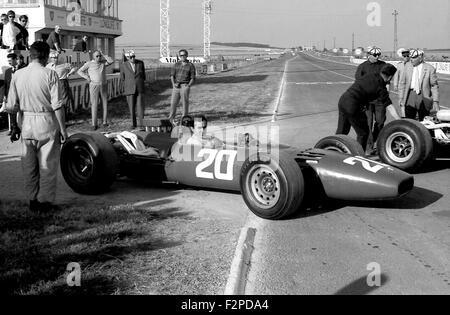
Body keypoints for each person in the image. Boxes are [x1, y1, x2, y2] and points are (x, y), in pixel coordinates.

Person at [0, 41, 67, 213]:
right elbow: (57, 106)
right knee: (47, 164)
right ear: (45, 56)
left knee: (29, 165)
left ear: (31, 55)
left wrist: (14, 127)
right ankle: (44, 202)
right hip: (46, 121)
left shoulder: (17, 75)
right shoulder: (50, 74)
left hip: (26, 122)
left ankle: (32, 200)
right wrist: (63, 130)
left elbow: (11, 106)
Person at [336, 64, 401, 151]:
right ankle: (358, 156)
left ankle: (333, 151)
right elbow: (389, 106)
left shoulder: (371, 75)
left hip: (343, 100)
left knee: (342, 131)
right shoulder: (380, 88)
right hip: (353, 106)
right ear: (390, 77)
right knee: (363, 133)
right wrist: (398, 119)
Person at [355, 47, 387, 154]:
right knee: (368, 124)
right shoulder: (362, 67)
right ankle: (369, 146)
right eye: (375, 55)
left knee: (380, 122)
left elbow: (388, 81)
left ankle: (375, 142)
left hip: (379, 100)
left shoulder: (383, 65)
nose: (377, 57)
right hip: (366, 100)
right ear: (369, 55)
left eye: (379, 55)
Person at [398, 49, 439, 121]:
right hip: (410, 95)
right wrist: (401, 98)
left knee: (424, 121)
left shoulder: (430, 69)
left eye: (414, 58)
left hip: (423, 97)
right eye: (411, 57)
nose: (411, 60)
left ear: (420, 58)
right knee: (409, 120)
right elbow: (402, 83)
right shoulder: (407, 66)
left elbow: (434, 86)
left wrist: (435, 101)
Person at [77, 50, 113, 130]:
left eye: (99, 56)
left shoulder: (103, 63)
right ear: (93, 57)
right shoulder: (89, 64)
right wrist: (87, 77)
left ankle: (104, 122)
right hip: (94, 85)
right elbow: (79, 71)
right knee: (94, 104)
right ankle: (94, 124)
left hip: (103, 85)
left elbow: (111, 61)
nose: (99, 57)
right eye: (97, 56)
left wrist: (103, 54)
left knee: (105, 104)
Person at [120, 50, 146, 129]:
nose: (133, 59)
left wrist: (141, 83)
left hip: (139, 88)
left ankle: (142, 124)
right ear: (127, 58)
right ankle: (133, 124)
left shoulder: (140, 63)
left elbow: (144, 75)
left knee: (140, 107)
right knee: (131, 108)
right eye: (131, 57)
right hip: (129, 89)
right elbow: (122, 78)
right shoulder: (123, 65)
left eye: (134, 56)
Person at [168, 49, 196, 124]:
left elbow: (193, 77)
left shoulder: (190, 65)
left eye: (184, 55)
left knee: (185, 103)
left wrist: (188, 85)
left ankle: (184, 120)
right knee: (173, 103)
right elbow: (172, 75)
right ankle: (170, 120)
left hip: (185, 86)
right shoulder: (176, 64)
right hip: (176, 86)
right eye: (181, 55)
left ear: (187, 55)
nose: (182, 56)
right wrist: (173, 84)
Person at [2, 53, 26, 135]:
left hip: (21, 95)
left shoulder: (22, 69)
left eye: (10, 60)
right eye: (8, 61)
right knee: (11, 111)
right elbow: (5, 85)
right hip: (11, 95)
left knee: (23, 112)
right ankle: (14, 128)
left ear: (15, 60)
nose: (9, 62)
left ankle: (24, 128)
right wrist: (5, 96)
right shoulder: (8, 71)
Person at [46, 51, 77, 115]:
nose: (55, 59)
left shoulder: (63, 64)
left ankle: (66, 114)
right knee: (54, 98)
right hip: (52, 83)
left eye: (56, 57)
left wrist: (69, 73)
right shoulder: (48, 66)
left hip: (62, 81)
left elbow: (75, 68)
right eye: (54, 58)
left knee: (64, 98)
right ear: (50, 58)